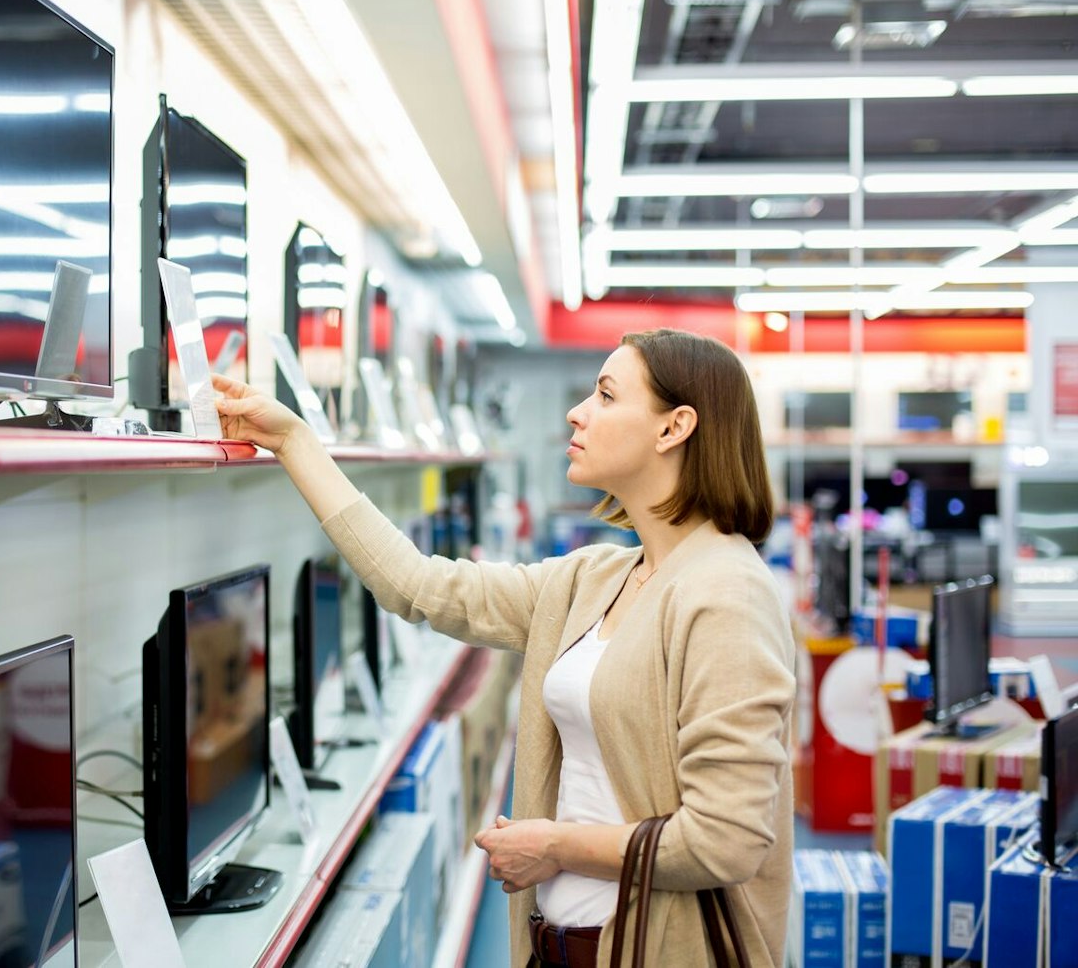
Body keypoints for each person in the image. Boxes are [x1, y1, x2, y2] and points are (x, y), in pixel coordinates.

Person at [211, 327, 794, 968]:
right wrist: (295, 443)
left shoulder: (727, 595)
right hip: (560, 946)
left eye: (604, 395)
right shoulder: (594, 578)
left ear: (673, 428)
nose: (577, 412)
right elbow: (420, 586)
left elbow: (726, 840)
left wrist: (556, 847)